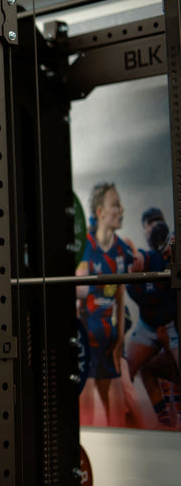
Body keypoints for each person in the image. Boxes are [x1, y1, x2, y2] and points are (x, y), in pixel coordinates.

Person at [75, 182, 143, 427]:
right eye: (115, 204)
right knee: (86, 420)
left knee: (118, 419)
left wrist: (119, 348)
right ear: (101, 212)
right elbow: (76, 293)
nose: (121, 209)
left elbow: (120, 296)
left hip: (110, 344)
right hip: (86, 344)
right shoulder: (84, 247)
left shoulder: (122, 250)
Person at [125, 207, 179, 428]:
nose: (166, 256)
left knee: (174, 369)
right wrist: (136, 270)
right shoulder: (150, 257)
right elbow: (140, 258)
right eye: (148, 227)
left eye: (157, 223)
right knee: (132, 366)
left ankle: (175, 418)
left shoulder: (171, 249)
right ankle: (163, 421)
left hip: (172, 325)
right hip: (149, 325)